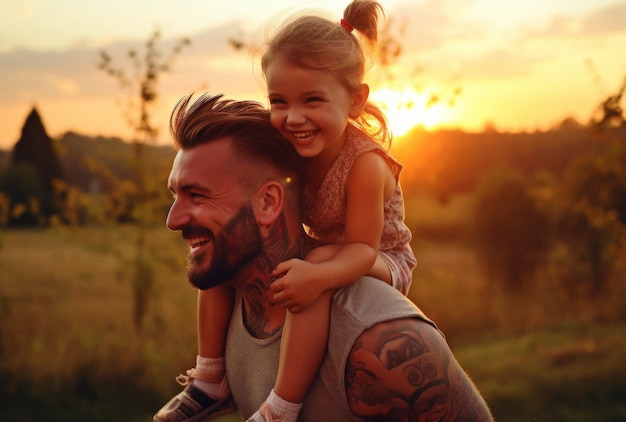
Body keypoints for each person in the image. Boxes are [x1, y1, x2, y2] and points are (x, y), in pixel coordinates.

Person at [155, 2, 417, 421]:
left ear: (355, 100)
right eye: (279, 101)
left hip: (381, 258)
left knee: (310, 275)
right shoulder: (297, 144)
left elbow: (363, 250)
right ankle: (210, 377)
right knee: (222, 251)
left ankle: (281, 407)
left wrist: (317, 275)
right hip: (333, 246)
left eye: (312, 100)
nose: (294, 118)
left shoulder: (365, 165)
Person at [160, 92, 493, 421]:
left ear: (267, 203)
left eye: (197, 196)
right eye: (176, 195)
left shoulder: (382, 343)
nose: (172, 220)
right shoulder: (230, 299)